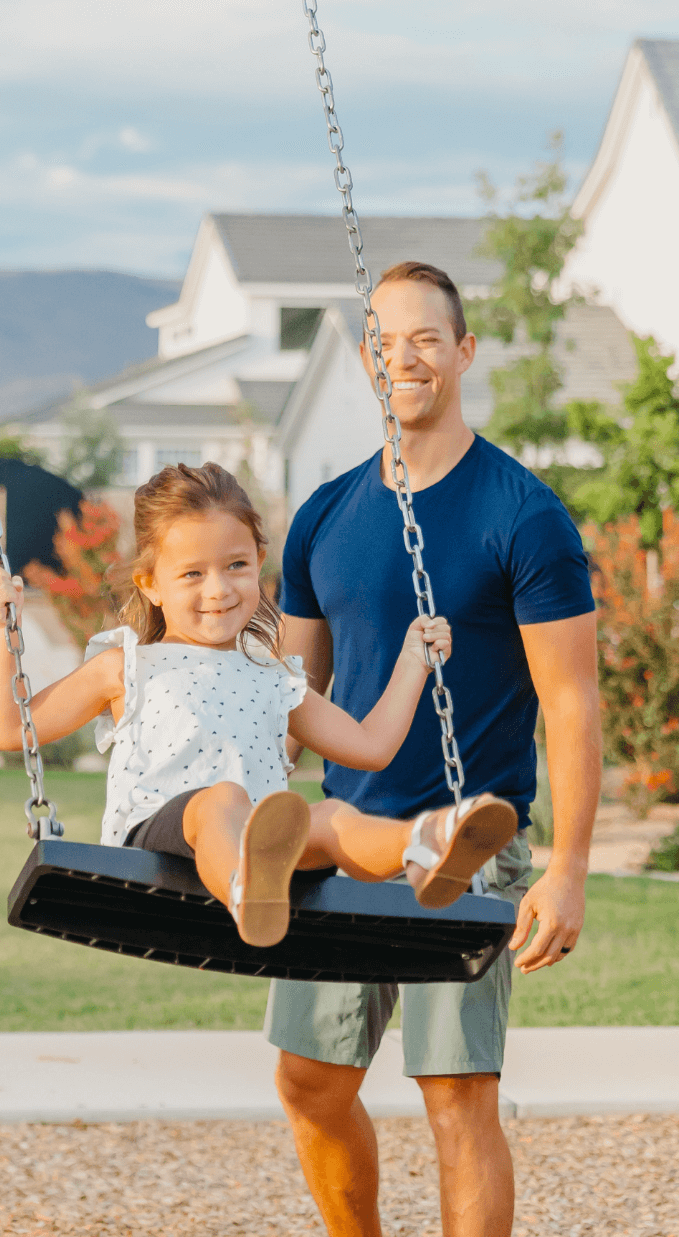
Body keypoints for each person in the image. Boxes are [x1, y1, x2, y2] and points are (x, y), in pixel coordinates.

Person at [267, 261, 601, 1236]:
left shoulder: (522, 513)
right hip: (344, 843)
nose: (401, 357)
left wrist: (570, 869)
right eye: (383, 340)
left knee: (457, 1098)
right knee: (308, 1082)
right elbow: (293, 700)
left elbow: (571, 702)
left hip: (468, 842)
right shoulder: (324, 515)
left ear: (464, 351)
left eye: (423, 339)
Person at [0, 461, 516, 947]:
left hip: (269, 847)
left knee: (329, 819)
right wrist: (6, 630)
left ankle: (425, 847)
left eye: (235, 565)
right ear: (151, 584)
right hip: (158, 841)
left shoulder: (272, 675)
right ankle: (244, 887)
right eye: (192, 573)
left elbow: (370, 747)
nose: (219, 589)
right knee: (222, 799)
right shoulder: (126, 666)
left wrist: (412, 662)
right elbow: (10, 730)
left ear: (258, 562)